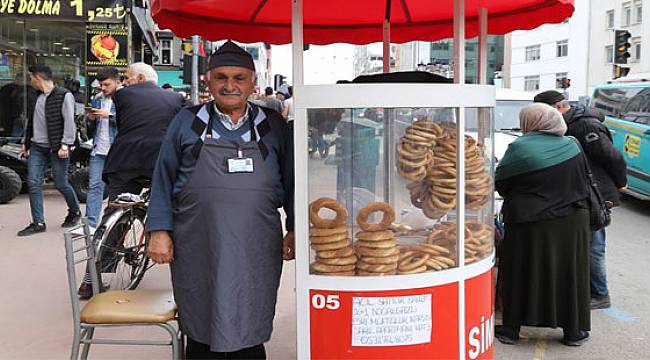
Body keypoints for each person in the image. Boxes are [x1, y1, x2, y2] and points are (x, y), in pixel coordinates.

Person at [146, 40, 295, 359]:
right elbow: (163, 177)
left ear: (253, 83)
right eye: (222, 77)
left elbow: (293, 180)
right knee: (201, 307)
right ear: (209, 81)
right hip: (198, 239)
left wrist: (294, 227)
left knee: (251, 304)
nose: (230, 85)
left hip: (256, 239)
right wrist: (159, 230)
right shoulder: (186, 121)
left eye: (239, 78)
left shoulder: (273, 125)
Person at [495, 103, 591, 346]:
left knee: (521, 272)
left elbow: (502, 184)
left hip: (531, 223)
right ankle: (573, 332)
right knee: (569, 273)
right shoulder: (572, 144)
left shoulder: (520, 147)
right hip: (572, 220)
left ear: (530, 122)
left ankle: (511, 330)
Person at [534, 90, 627, 310]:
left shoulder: (584, 126)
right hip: (581, 191)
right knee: (584, 243)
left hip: (596, 193)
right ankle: (588, 289)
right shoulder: (568, 124)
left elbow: (612, 156)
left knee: (594, 245)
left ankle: (600, 293)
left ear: (558, 107)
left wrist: (620, 182)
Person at [102, 62, 185, 200]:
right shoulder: (176, 98)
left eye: (127, 78)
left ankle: (113, 220)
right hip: (159, 161)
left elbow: (122, 125)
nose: (125, 82)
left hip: (124, 160)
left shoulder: (122, 94)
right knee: (163, 205)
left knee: (118, 205)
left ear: (140, 78)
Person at [18, 65, 81, 236]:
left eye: (31, 78)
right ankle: (38, 222)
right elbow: (30, 122)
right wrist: (26, 142)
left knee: (61, 183)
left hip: (57, 147)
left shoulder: (64, 95)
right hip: (37, 146)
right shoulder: (36, 96)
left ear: (38, 78)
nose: (30, 81)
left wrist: (65, 144)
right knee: (33, 182)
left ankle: (75, 211)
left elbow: (69, 121)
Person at [84, 67, 121, 229]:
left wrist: (110, 116)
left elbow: (128, 122)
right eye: (101, 85)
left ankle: (110, 224)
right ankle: (90, 225)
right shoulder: (97, 98)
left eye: (107, 84)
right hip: (99, 149)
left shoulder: (125, 99)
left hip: (117, 151)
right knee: (94, 187)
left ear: (117, 81)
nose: (103, 88)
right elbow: (90, 129)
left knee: (116, 190)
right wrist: (91, 119)